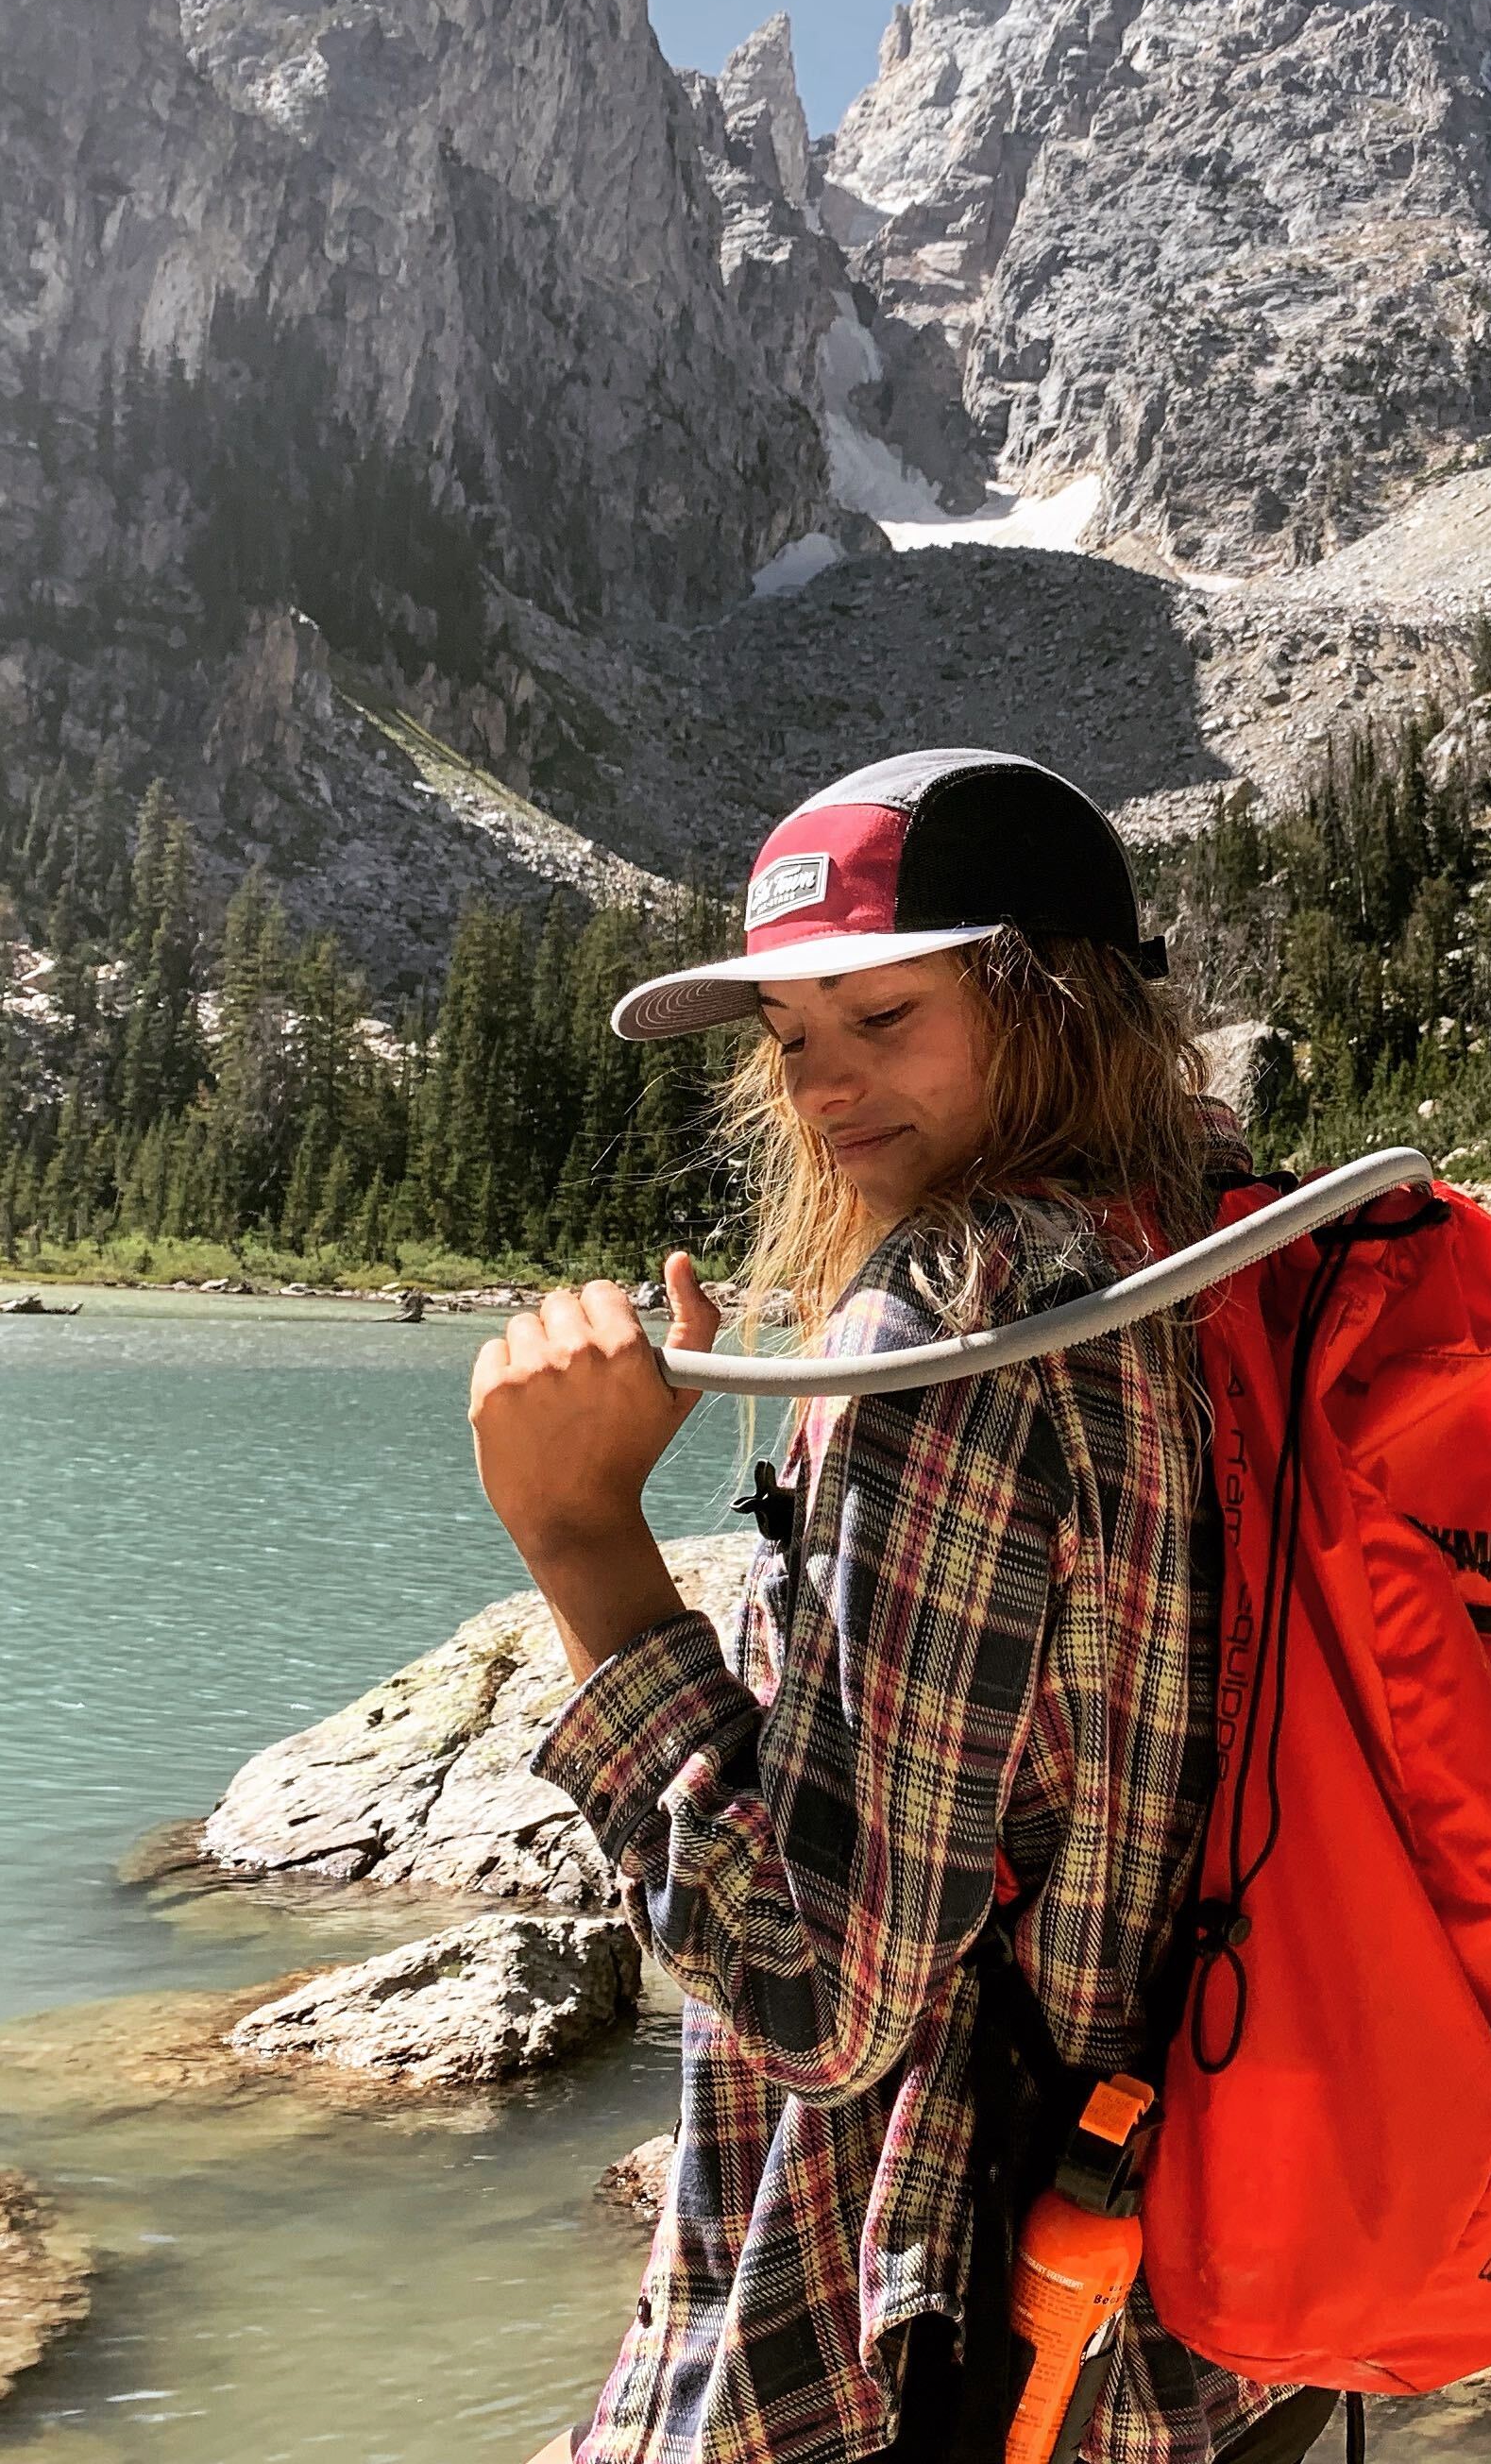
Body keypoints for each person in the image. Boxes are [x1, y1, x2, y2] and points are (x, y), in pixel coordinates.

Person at [466, 750, 1294, 2464]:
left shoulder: (961, 1319)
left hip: (942, 2350)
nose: (829, 1091)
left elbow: (830, 2000)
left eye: (886, 1017)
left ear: (1052, 1002)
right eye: (792, 1042)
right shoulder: (1228, 1237)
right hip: (1216, 2314)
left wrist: (578, 1540)